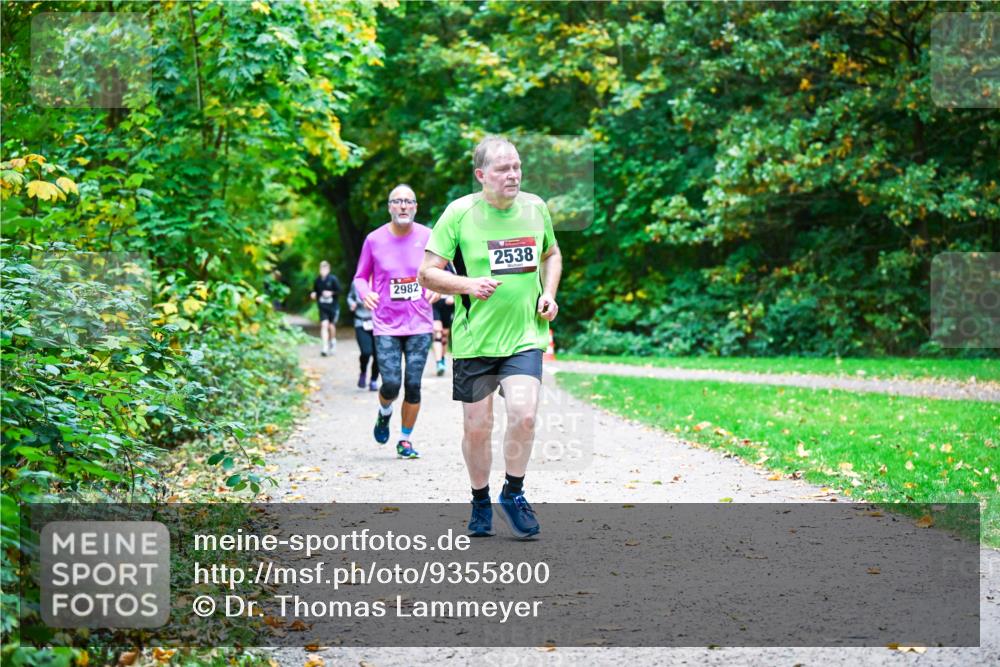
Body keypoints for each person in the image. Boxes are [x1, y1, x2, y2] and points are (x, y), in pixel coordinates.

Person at [418, 136, 561, 539]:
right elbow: (427, 273)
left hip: (524, 335)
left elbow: (551, 254)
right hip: (474, 341)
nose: (513, 174)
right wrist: (467, 284)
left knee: (525, 414)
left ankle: (512, 493)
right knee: (477, 427)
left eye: (516, 167)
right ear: (481, 175)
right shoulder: (459, 214)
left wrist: (548, 293)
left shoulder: (535, 208)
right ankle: (480, 500)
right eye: (502, 169)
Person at [353, 184, 436, 460]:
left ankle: (405, 439)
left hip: (420, 324)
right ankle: (384, 412)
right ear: (389, 207)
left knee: (413, 385)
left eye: (408, 201)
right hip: (387, 324)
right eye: (397, 201)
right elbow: (360, 276)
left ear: (415, 207)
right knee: (390, 384)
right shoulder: (374, 240)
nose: (403, 206)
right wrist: (365, 293)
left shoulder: (429, 236)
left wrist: (438, 287)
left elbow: (444, 269)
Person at [347, 283, 380, 391]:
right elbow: (350, 297)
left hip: (378, 324)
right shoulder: (357, 283)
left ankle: (373, 380)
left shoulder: (379, 279)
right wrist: (352, 304)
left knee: (378, 355)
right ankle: (363, 372)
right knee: (366, 352)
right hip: (361, 322)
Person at [310, 260, 340, 356]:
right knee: (324, 325)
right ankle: (325, 347)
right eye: (322, 268)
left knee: (331, 326)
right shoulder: (317, 280)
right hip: (322, 306)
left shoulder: (333, 279)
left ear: (328, 269)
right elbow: (314, 291)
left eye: (325, 268)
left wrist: (331, 293)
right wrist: (313, 294)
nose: (323, 270)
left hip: (333, 307)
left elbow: (339, 291)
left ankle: (333, 341)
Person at [431, 263, 456, 376]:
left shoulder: (452, 266)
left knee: (445, 334)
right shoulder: (431, 265)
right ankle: (438, 363)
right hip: (435, 304)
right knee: (438, 332)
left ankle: (442, 358)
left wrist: (454, 297)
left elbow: (459, 284)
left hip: (448, 305)